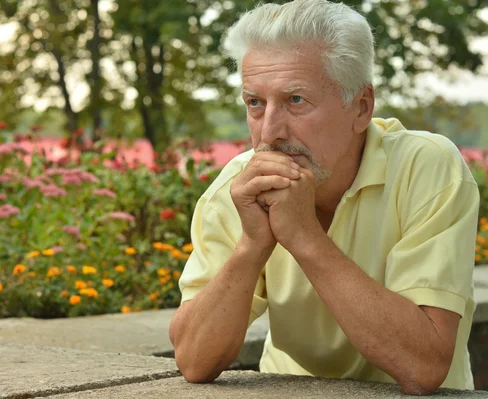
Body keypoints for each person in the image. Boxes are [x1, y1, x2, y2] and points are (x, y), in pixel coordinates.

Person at [168, 0, 480, 395]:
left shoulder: (428, 168)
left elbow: (423, 367)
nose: (269, 134)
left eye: (296, 101)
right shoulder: (237, 187)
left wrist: (304, 236)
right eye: (255, 103)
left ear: (361, 107)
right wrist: (251, 245)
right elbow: (195, 361)